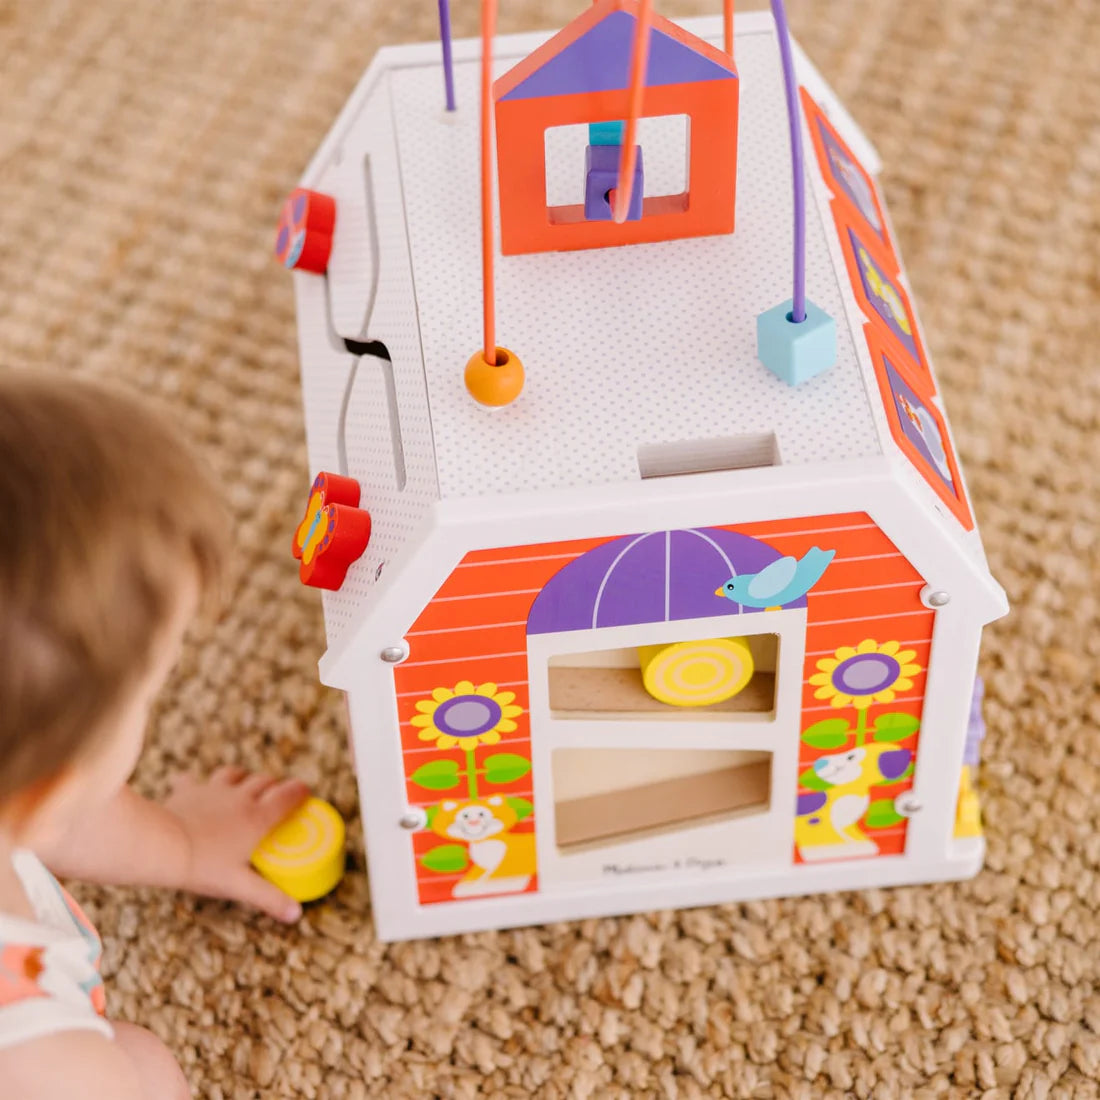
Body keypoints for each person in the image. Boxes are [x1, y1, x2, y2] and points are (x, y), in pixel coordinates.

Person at [0, 372, 311, 1098]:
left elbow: (67, 818)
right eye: (151, 690)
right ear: (46, 794)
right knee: (143, 1065)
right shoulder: (42, 1061)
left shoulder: (21, 793)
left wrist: (185, 844)